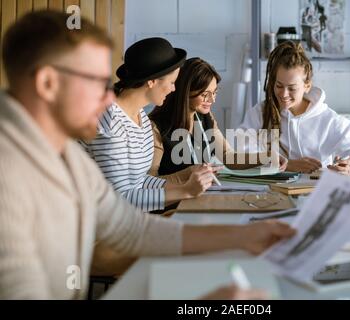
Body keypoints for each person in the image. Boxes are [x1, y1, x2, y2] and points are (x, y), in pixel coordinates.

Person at [0, 10, 296, 299]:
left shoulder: (67, 157)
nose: (110, 97)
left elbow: (131, 228)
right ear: (48, 83)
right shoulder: (8, 177)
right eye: (97, 83)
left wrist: (245, 237)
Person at [80, 38, 219, 214]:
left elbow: (139, 182)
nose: (174, 89)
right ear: (152, 81)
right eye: (171, 82)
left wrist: (188, 184)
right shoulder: (109, 122)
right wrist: (185, 191)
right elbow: (118, 201)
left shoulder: (141, 118)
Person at [238, 41, 350, 175]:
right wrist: (287, 165)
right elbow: (238, 154)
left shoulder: (328, 119)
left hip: (314, 192)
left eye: (292, 88)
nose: (284, 94)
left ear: (307, 86)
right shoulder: (259, 113)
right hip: (271, 192)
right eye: (279, 85)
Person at [149, 57, 287, 177]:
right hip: (175, 204)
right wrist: (189, 174)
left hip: (199, 197)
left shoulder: (205, 117)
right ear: (185, 92)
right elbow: (151, 181)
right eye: (205, 94)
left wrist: (268, 156)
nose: (212, 100)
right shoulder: (156, 127)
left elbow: (228, 156)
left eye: (214, 92)